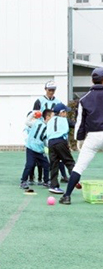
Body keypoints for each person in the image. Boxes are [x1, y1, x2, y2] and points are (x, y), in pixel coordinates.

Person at [60, 68, 103, 204]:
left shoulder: (84, 99)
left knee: (79, 167)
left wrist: (79, 140)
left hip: (93, 137)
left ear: (92, 80)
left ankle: (67, 196)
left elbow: (79, 124)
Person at [32, 81, 68, 184]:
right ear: (45, 89)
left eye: (53, 90)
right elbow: (35, 115)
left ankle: (63, 176)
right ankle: (37, 177)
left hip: (54, 131)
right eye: (49, 90)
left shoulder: (58, 101)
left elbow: (61, 116)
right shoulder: (39, 101)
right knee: (40, 152)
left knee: (58, 153)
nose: (51, 92)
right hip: (43, 130)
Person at [46, 103, 76, 195]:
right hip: (60, 142)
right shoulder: (64, 120)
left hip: (51, 143)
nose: (66, 113)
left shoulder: (50, 121)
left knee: (54, 164)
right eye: (65, 112)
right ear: (61, 112)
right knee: (69, 161)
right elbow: (75, 125)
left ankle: (54, 186)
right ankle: (75, 179)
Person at [19, 110, 51, 189]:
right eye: (52, 116)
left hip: (40, 151)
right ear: (47, 117)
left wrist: (50, 147)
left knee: (46, 165)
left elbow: (45, 140)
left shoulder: (49, 128)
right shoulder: (37, 122)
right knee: (30, 165)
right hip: (31, 148)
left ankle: (46, 181)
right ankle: (23, 181)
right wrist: (33, 114)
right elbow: (27, 122)